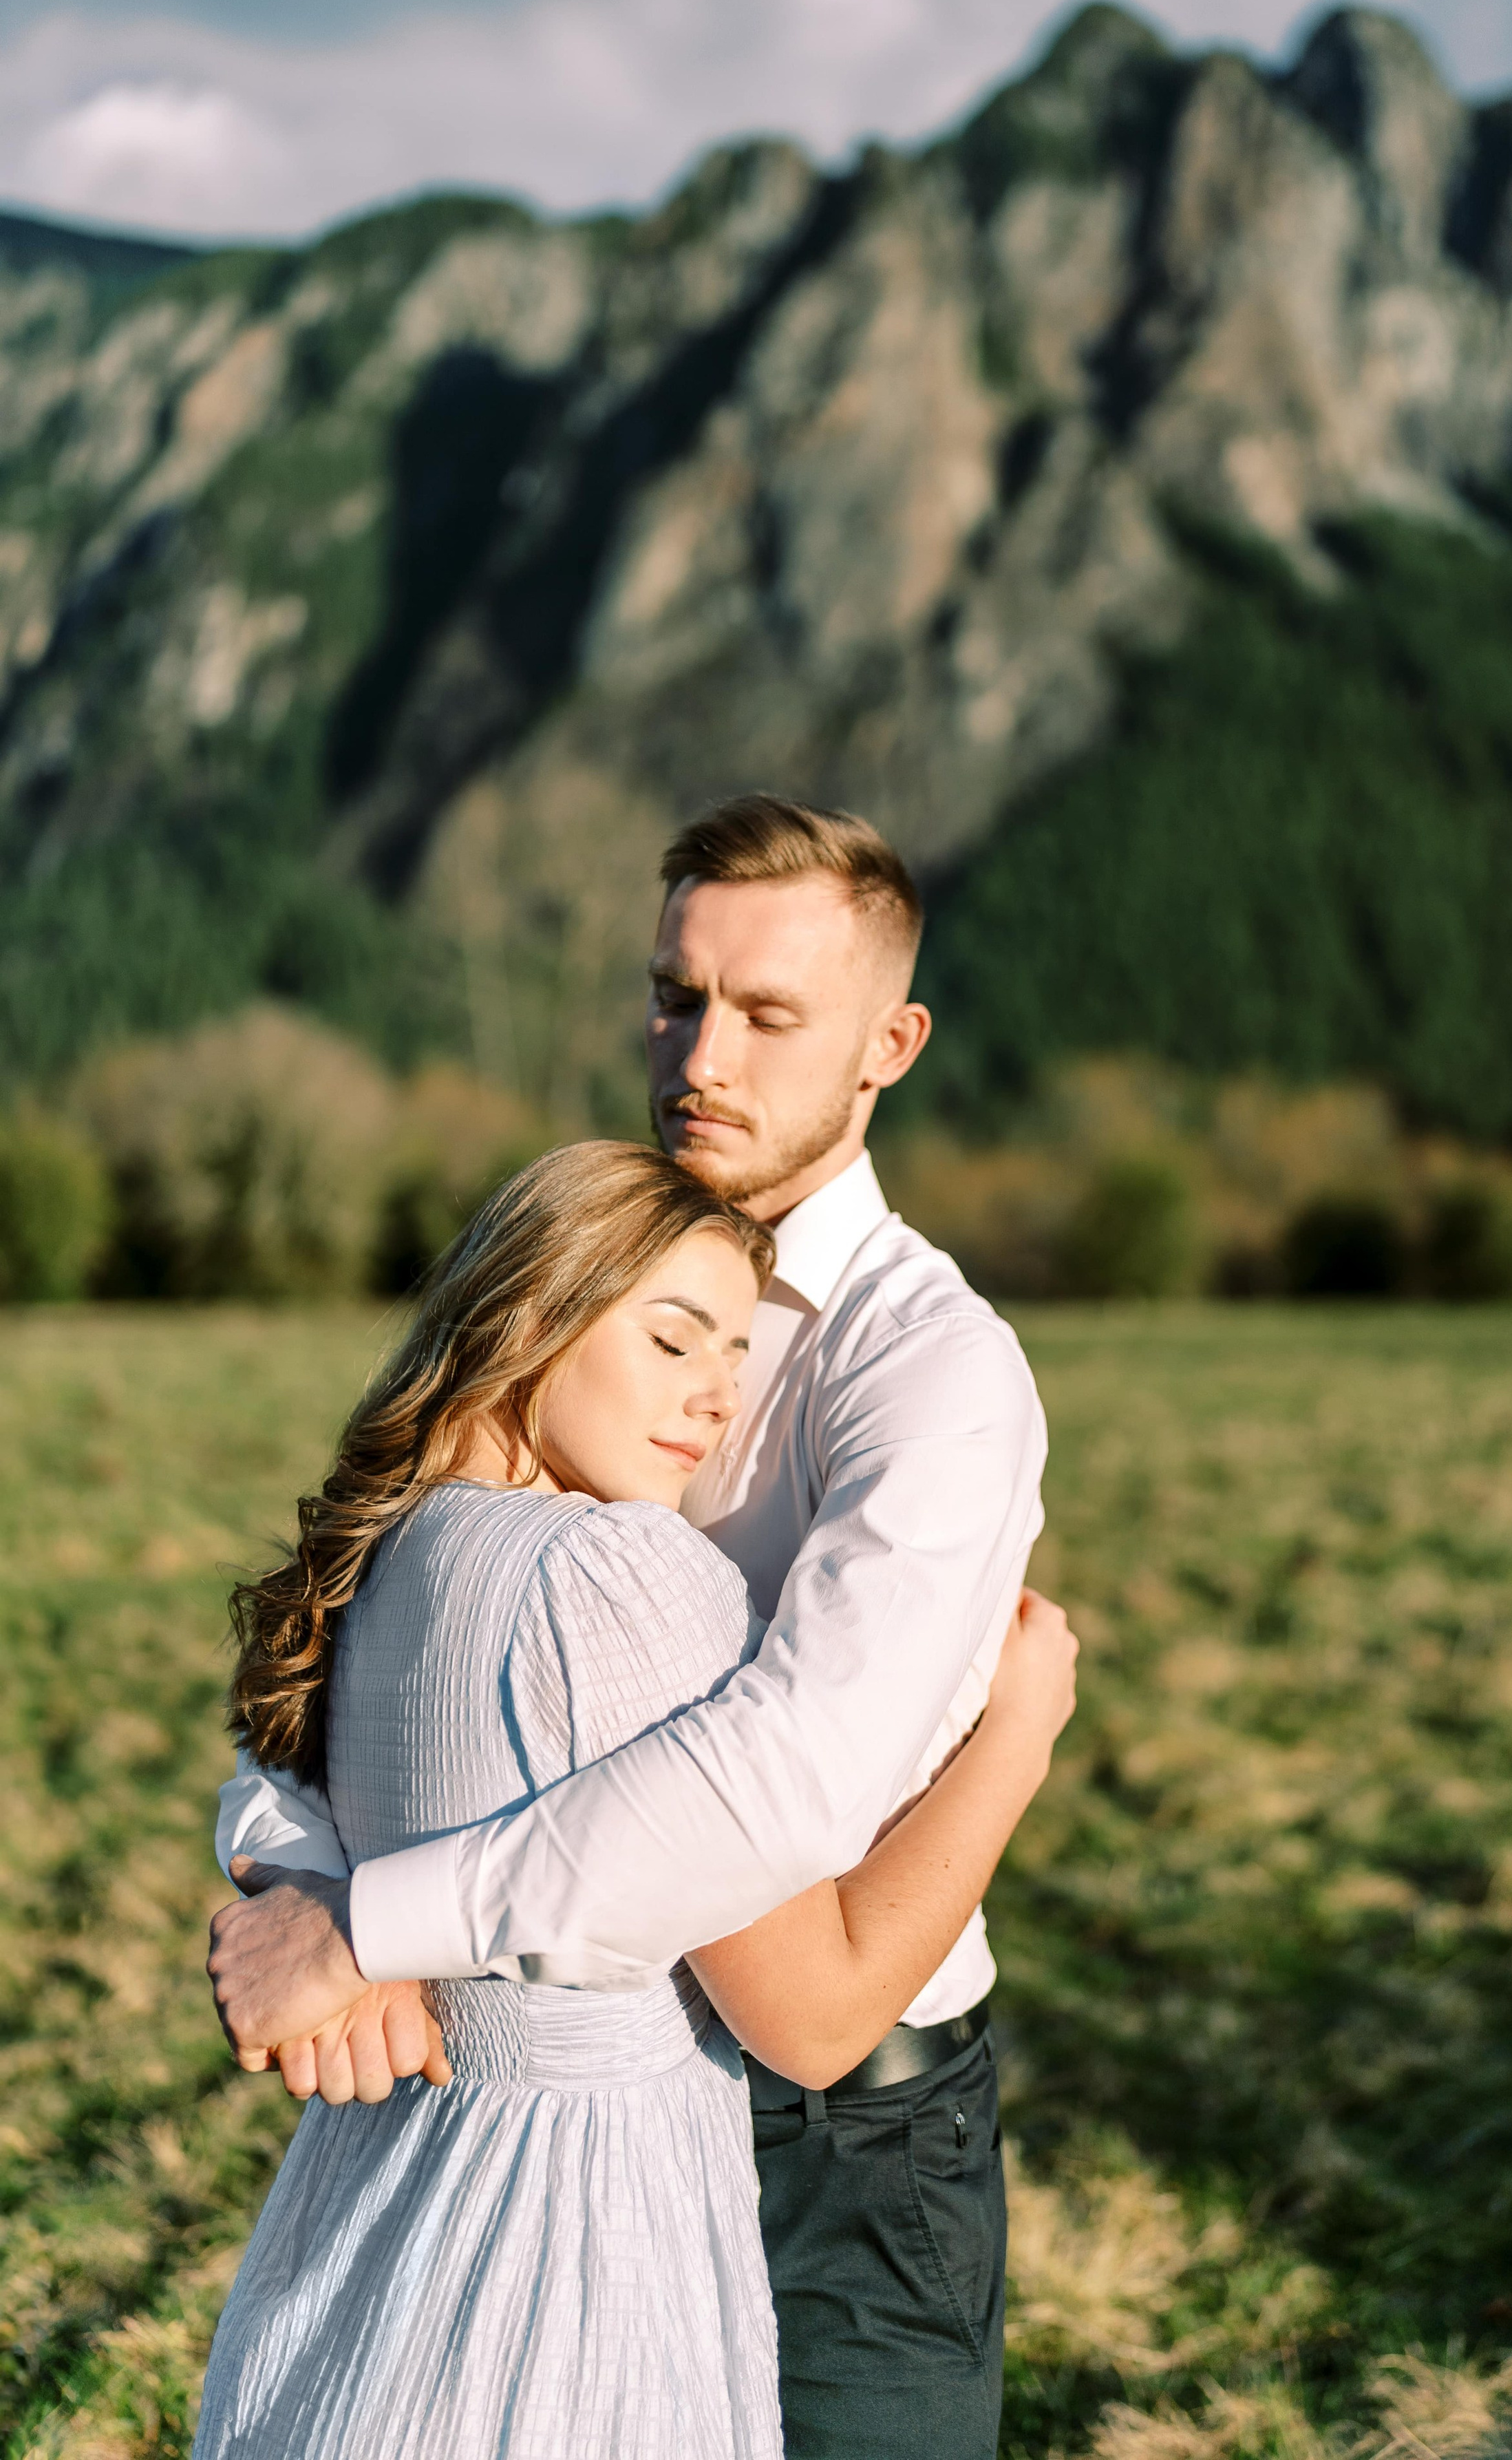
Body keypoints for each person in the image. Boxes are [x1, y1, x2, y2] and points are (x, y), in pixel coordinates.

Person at [207, 796, 1052, 2457]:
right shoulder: (593, 1273)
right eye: (675, 995)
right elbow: (352, 1599)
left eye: (766, 1015)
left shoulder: (933, 1376)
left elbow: (773, 1788)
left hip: (833, 2136)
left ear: (889, 1044)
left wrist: (377, 1921)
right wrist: (287, 1862)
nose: (699, 1056)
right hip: (530, 2091)